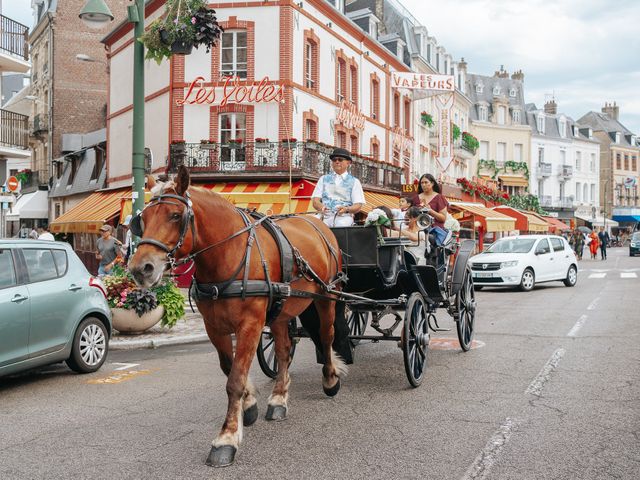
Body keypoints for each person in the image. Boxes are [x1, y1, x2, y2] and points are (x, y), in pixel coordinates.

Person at [311, 147, 365, 227]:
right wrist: (321, 207)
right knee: (310, 223)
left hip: (343, 217)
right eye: (334, 160)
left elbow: (358, 205)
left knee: (341, 225)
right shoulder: (323, 179)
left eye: (340, 159)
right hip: (324, 216)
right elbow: (315, 201)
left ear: (348, 162)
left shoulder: (354, 182)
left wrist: (346, 209)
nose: (337, 162)